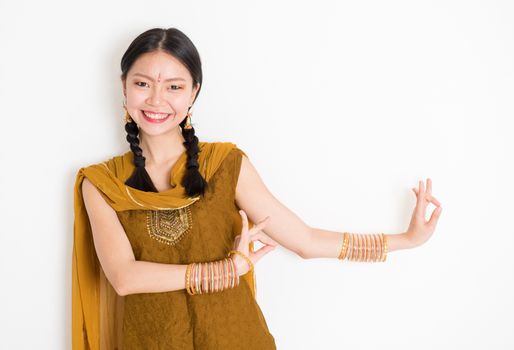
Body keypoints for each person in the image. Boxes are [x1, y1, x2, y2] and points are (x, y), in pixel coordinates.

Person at [72, 27, 443, 350]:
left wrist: (405, 240)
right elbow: (124, 278)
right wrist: (226, 270)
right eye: (142, 84)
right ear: (124, 87)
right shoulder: (102, 183)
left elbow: (306, 241)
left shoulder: (225, 166)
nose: (156, 100)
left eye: (174, 86)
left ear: (193, 95)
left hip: (237, 340)